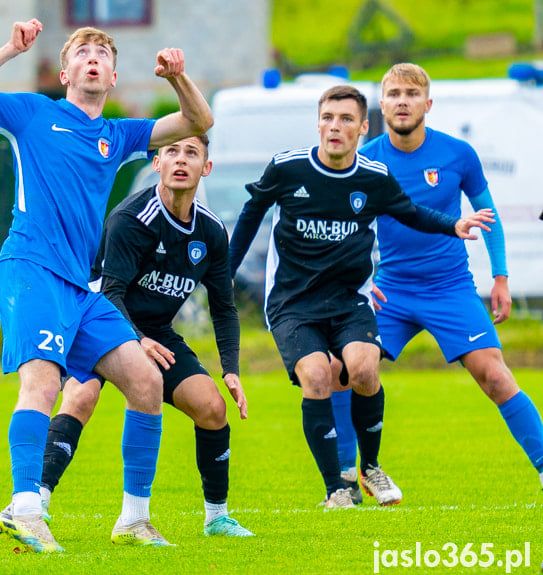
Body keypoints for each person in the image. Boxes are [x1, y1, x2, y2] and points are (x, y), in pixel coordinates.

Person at [0, 20, 213, 552]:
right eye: (82, 53)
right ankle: (25, 509)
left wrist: (178, 78)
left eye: (102, 54)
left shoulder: (119, 134)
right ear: (65, 72)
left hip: (81, 286)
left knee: (145, 382)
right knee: (42, 385)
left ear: (112, 76)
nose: (92, 58)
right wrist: (10, 49)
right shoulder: (33, 113)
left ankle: (133, 520)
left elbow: (199, 121)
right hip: (32, 268)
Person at [227, 85, 495, 509]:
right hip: (293, 303)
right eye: (329, 118)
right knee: (317, 376)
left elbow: (411, 212)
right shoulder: (286, 168)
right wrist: (224, 272)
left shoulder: (373, 177)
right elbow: (249, 217)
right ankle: (337, 486)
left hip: (349, 298)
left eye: (346, 119)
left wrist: (453, 226)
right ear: (318, 123)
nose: (336, 126)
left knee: (365, 368)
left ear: (363, 127)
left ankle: (370, 468)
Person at [329, 63, 543, 495]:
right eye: (393, 93)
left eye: (411, 93)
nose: (402, 100)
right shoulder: (365, 160)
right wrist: (355, 284)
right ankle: (347, 481)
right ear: (382, 105)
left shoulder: (458, 154)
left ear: (428, 103)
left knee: (496, 376)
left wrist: (500, 278)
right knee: (342, 370)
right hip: (391, 290)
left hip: (450, 289)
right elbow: (346, 229)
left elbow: (490, 217)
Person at [40, 134, 253, 539]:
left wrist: (231, 370)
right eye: (171, 151)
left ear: (205, 168)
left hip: (155, 332)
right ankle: (37, 503)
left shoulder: (210, 232)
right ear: (156, 163)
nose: (180, 160)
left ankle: (217, 518)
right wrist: (135, 340)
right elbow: (112, 290)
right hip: (97, 320)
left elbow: (223, 306)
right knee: (82, 397)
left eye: (192, 153)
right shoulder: (133, 219)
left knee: (211, 407)